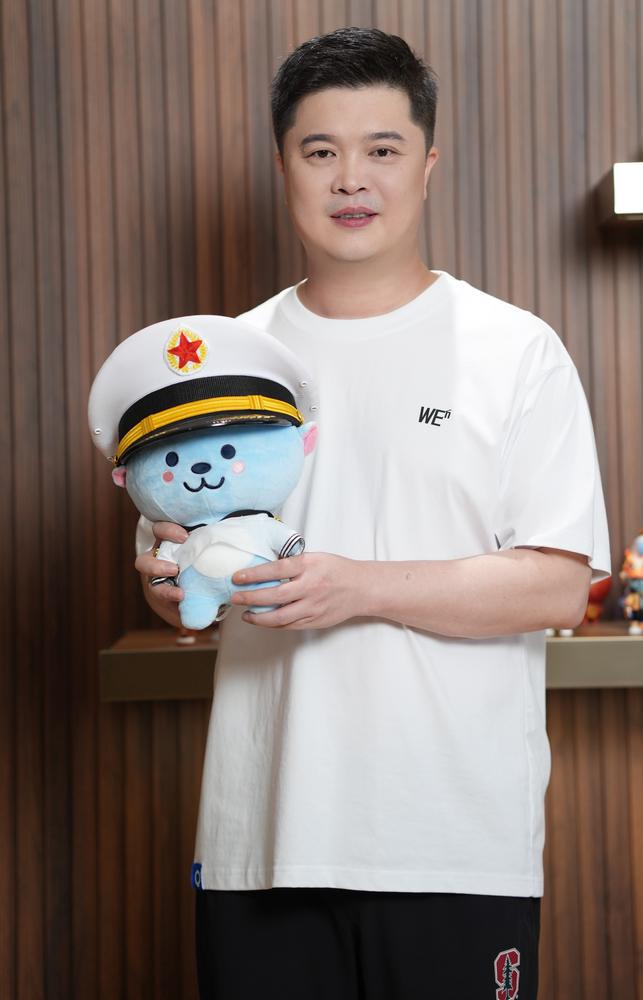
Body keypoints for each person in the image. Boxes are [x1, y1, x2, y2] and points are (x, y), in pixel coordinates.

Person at [135, 27, 610, 1000]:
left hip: (455, 845)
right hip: (261, 839)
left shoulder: (513, 350)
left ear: (427, 165)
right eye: (320, 151)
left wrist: (357, 587)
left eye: (381, 149)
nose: (351, 178)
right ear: (283, 167)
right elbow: (175, 579)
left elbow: (558, 584)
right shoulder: (224, 359)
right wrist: (162, 584)